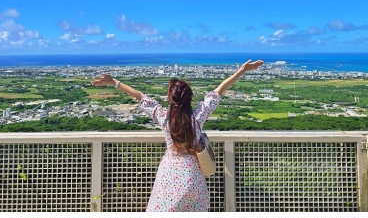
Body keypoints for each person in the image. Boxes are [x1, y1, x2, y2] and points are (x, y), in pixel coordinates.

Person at [92, 59, 264, 211]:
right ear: (189, 99)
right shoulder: (197, 118)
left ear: (170, 99)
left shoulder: (164, 119)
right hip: (193, 175)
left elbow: (140, 96)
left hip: (169, 173)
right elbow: (219, 91)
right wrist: (242, 70)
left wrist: (114, 82)